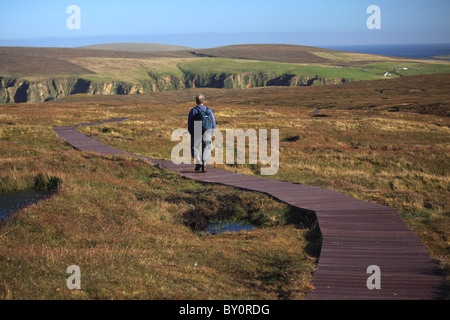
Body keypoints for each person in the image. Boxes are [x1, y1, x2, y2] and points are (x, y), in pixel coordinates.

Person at [188, 94, 216, 172]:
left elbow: (190, 123)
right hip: (207, 130)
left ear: (196, 101)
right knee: (207, 146)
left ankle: (198, 163)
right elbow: (213, 122)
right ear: (204, 101)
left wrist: (191, 132)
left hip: (196, 129)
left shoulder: (193, 110)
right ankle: (204, 164)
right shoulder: (208, 110)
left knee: (195, 146)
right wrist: (212, 131)